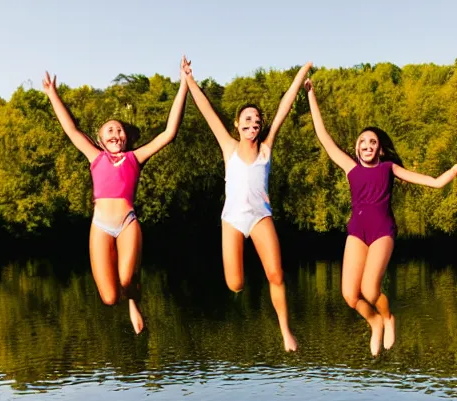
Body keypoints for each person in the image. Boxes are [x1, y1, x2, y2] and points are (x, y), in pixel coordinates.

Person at [304, 78, 457, 355]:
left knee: (370, 289)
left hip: (382, 232)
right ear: (356, 148)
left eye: (372, 141)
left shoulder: (388, 168)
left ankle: (388, 317)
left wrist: (453, 170)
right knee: (350, 295)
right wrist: (311, 96)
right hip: (357, 232)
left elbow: (434, 182)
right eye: (362, 141)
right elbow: (323, 137)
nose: (367, 144)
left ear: (380, 149)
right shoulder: (350, 168)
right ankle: (374, 321)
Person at [43, 58, 189, 334]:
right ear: (100, 140)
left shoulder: (136, 158)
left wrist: (183, 85)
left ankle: (134, 300)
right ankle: (129, 295)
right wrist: (53, 94)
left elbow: (168, 133)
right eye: (109, 129)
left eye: (119, 129)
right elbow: (71, 130)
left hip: (127, 223)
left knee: (125, 282)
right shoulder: (95, 157)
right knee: (109, 298)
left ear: (126, 139)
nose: (115, 132)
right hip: (100, 226)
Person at [182, 58, 312, 351]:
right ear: (237, 124)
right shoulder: (228, 148)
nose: (253, 123)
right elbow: (206, 110)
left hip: (259, 217)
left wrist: (301, 73)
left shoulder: (266, 149)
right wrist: (189, 80)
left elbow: (283, 109)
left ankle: (285, 332)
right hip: (232, 220)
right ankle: (243, 271)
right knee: (235, 284)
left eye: (257, 120)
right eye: (247, 119)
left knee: (276, 275)